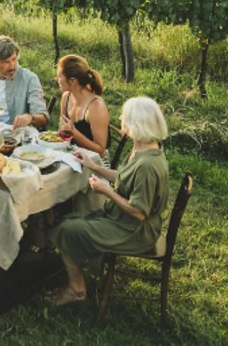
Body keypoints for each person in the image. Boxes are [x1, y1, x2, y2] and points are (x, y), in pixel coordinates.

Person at [46, 96, 170, 306]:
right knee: (69, 219)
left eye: (125, 116)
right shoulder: (144, 148)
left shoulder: (148, 166)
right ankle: (82, 268)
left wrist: (107, 192)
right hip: (123, 220)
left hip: (135, 231)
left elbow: (139, 212)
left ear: (137, 123)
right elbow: (122, 177)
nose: (121, 118)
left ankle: (77, 289)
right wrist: (93, 166)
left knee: (66, 230)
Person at [55, 55, 109, 156]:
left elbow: (100, 152)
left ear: (72, 81)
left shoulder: (96, 106)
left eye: (59, 76)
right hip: (71, 154)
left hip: (94, 162)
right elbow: (62, 133)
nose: (56, 79)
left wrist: (73, 133)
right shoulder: (66, 97)